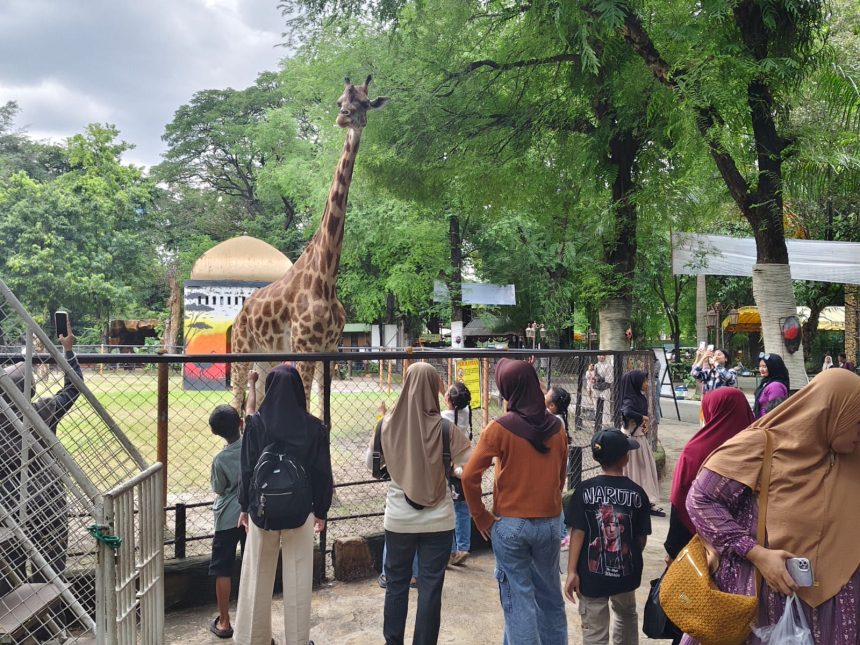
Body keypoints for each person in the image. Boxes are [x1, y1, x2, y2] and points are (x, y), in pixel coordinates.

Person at [682, 368, 860, 645]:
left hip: (837, 610)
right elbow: (700, 500)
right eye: (857, 422)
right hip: (767, 603)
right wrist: (756, 553)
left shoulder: (850, 455)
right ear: (833, 414)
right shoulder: (761, 445)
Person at [462, 358, 568, 645]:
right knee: (550, 598)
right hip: (550, 524)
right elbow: (561, 477)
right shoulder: (557, 428)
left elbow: (469, 476)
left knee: (518, 601)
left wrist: (480, 516)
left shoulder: (499, 428)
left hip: (511, 526)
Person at [371, 362, 471, 645]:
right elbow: (470, 466)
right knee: (430, 588)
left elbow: (373, 465)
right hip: (439, 520)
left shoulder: (385, 425)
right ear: (433, 387)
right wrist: (451, 469)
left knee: (396, 585)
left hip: (398, 520)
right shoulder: (445, 429)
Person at [235, 364, 333, 645]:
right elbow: (322, 473)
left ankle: (253, 638)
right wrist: (321, 511)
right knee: (299, 580)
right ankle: (298, 640)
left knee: (256, 576)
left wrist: (244, 506)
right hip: (301, 512)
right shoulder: (314, 428)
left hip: (261, 511)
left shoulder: (255, 424)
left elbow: (246, 469)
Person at [0, 324, 81, 598]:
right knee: (52, 569)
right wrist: (68, 350)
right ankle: (51, 627)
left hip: (11, 503)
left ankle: (19, 630)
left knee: (8, 570)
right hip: (48, 499)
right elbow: (73, 388)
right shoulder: (44, 411)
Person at [564, 428, 652, 645]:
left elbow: (578, 532)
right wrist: (629, 554)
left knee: (594, 629)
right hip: (626, 575)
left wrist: (572, 571)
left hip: (590, 576)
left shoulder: (583, 490)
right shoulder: (638, 493)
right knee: (625, 614)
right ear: (625, 458)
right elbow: (640, 538)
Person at [664, 388, 754, 561]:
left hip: (699, 540)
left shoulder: (695, 450)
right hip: (747, 547)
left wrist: (672, 547)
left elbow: (680, 497)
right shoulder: (757, 447)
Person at [207, 402, 246, 639]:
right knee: (252, 565)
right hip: (251, 515)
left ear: (214, 432)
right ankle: (252, 617)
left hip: (227, 519)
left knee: (223, 569)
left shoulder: (220, 460)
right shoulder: (253, 448)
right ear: (241, 424)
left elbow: (219, 488)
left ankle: (224, 621)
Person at [618, 370, 663, 517]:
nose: (646, 384)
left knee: (644, 470)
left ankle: (645, 501)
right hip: (632, 442)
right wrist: (643, 417)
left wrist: (644, 422)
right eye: (644, 381)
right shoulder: (629, 399)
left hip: (640, 439)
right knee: (636, 470)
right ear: (635, 383)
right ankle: (635, 501)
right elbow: (626, 412)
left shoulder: (640, 398)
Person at [441, 381, 472, 567]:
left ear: (448, 399)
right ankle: (464, 547)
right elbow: (455, 398)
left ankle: (450, 551)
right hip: (465, 467)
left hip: (450, 468)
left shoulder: (443, 417)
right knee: (462, 508)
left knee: (448, 509)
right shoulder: (466, 413)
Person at [544, 386, 574, 549]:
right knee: (554, 497)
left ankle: (563, 536)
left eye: (547, 395)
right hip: (557, 463)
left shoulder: (553, 420)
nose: (544, 395)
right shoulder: (558, 416)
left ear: (552, 406)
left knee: (554, 498)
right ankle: (561, 534)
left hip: (555, 465)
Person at [752, 352, 789, 419]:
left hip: (767, 425)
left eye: (764, 366)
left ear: (774, 367)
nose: (761, 369)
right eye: (760, 366)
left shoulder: (775, 386)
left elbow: (774, 412)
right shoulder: (766, 382)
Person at [593, 355, 614, 432]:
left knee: (606, 406)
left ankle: (605, 425)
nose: (601, 357)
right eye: (599, 355)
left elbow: (610, 379)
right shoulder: (595, 365)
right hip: (596, 388)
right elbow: (594, 377)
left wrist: (600, 378)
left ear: (605, 356)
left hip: (605, 388)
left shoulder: (608, 366)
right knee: (596, 405)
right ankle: (597, 422)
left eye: (603, 355)